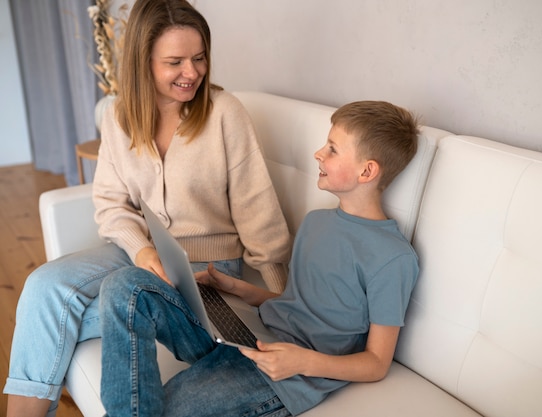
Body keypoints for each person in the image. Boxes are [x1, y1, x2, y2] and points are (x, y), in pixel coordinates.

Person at [3, 1, 291, 416]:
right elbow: (110, 203)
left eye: (199, 58)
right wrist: (140, 248)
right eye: (174, 62)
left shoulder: (225, 114)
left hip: (204, 272)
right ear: (143, 61)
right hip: (141, 251)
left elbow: (258, 210)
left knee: (56, 325)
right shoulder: (121, 117)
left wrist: (281, 299)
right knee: (42, 288)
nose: (191, 72)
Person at [98, 99, 421, 416]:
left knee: (160, 408)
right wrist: (236, 288)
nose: (318, 153)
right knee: (125, 285)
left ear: (367, 171)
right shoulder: (316, 221)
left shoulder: (392, 258)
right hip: (252, 335)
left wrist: (302, 361)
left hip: (285, 374)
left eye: (333, 149)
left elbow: (377, 362)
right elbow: (294, 302)